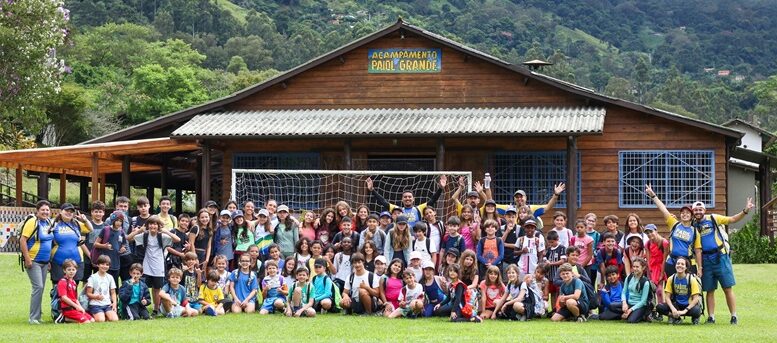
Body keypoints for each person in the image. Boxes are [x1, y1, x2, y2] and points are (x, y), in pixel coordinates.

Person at [690, 199, 752, 325]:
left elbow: (732, 219)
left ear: (704, 210)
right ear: (693, 211)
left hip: (720, 256)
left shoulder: (713, 218)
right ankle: (711, 317)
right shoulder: (693, 225)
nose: (698, 212)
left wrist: (745, 210)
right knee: (709, 290)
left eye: (700, 209)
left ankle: (734, 316)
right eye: (695, 210)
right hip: (705, 259)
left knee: (727, 288)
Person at [127, 215, 180, 316]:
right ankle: (141, 307)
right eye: (151, 224)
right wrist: (139, 231)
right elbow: (128, 239)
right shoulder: (145, 235)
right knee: (145, 287)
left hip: (159, 265)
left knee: (157, 288)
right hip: (147, 265)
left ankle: (156, 308)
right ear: (147, 225)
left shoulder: (162, 236)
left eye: (155, 224)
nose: (153, 226)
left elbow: (177, 240)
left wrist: (166, 231)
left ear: (158, 225)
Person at [644, 184, 702, 277]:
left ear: (691, 216)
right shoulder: (674, 224)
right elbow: (663, 209)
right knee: (670, 288)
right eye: (682, 213)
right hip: (672, 262)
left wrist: (700, 268)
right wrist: (653, 195)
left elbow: (698, 251)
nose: (685, 214)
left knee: (688, 288)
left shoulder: (695, 231)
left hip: (688, 262)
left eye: (687, 213)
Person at [20, 200, 53, 324]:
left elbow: (49, 242)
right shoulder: (32, 222)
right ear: (37, 211)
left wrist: (49, 260)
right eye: (43, 210)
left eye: (47, 210)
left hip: (45, 262)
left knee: (41, 288)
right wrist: (27, 258)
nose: (45, 212)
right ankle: (33, 318)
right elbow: (23, 240)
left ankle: (38, 316)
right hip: (33, 261)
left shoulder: (48, 222)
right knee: (38, 287)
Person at [367, 174, 447, 227]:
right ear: (402, 199)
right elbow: (383, 202)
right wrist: (372, 190)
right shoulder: (397, 209)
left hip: (415, 237)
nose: (407, 198)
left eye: (409, 197)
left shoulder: (418, 209)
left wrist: (440, 189)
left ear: (413, 199)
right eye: (405, 197)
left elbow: (432, 200)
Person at [50, 203, 93, 284]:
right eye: (66, 210)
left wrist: (85, 220)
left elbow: (90, 229)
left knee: (73, 289)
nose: (69, 213)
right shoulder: (54, 224)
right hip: (58, 261)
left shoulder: (76, 223)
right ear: (61, 211)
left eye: (71, 211)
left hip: (76, 262)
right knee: (58, 289)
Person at [490, 182, 566, 227]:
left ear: (526, 198)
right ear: (514, 199)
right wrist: (486, 188)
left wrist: (556, 195)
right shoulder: (510, 208)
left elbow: (548, 207)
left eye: (521, 197)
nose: (519, 199)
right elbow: (491, 204)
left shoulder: (532, 208)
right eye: (517, 197)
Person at [599, 257, 651, 323]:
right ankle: (625, 314)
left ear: (643, 268)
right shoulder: (629, 278)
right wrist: (624, 303)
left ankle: (642, 315)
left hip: (639, 306)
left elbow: (643, 301)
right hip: (628, 303)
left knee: (631, 321)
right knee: (609, 309)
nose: (635, 269)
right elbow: (624, 292)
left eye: (637, 267)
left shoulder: (645, 282)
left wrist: (630, 310)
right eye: (634, 266)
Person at [656, 257, 702, 325]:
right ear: (675, 266)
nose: (680, 265)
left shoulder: (691, 279)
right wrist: (673, 309)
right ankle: (674, 316)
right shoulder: (671, 279)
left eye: (682, 264)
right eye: (678, 263)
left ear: (686, 267)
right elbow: (667, 297)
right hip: (676, 305)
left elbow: (696, 299)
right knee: (659, 307)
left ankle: (695, 318)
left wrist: (684, 311)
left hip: (688, 306)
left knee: (697, 310)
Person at [55, 259, 94, 324]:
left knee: (92, 320)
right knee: (87, 322)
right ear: (64, 270)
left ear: (76, 270)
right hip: (67, 309)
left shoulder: (74, 282)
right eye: (69, 269)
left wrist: (80, 307)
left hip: (74, 308)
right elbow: (64, 298)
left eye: (73, 270)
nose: (71, 272)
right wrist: (76, 306)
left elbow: (75, 299)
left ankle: (68, 318)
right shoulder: (62, 282)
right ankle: (64, 318)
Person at [105, 196, 133, 283]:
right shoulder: (109, 219)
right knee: (113, 282)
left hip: (125, 253)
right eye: (121, 206)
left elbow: (128, 239)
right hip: (112, 254)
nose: (123, 208)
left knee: (127, 281)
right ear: (116, 206)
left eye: (125, 206)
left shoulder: (129, 220)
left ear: (128, 207)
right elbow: (106, 236)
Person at [85, 255, 118, 322]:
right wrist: (96, 296)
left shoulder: (110, 277)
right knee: (100, 320)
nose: (105, 266)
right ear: (98, 265)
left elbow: (113, 292)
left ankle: (104, 314)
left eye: (107, 264)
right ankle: (92, 314)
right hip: (95, 304)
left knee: (114, 319)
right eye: (102, 264)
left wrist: (114, 303)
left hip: (107, 304)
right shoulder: (93, 277)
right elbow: (88, 293)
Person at [644, 224, 669, 305]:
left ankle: (661, 308)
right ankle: (653, 309)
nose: (649, 234)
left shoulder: (664, 242)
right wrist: (649, 271)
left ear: (656, 231)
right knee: (651, 289)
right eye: (647, 233)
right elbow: (648, 259)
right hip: (652, 268)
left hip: (661, 267)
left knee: (659, 290)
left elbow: (664, 259)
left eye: (651, 231)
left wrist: (662, 273)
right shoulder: (647, 244)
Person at [84, 201, 107, 281]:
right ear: (92, 212)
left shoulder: (106, 227)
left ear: (103, 213)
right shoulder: (87, 225)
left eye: (100, 212)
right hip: (87, 257)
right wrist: (91, 256)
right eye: (96, 212)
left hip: (101, 259)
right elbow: (82, 243)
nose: (98, 214)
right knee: (86, 281)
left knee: (100, 280)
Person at [188, 208, 213, 273]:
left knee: (201, 275)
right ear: (199, 218)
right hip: (194, 253)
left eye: (206, 217)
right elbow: (191, 243)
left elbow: (209, 246)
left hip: (203, 255)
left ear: (209, 217)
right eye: (202, 217)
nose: (204, 219)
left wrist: (207, 260)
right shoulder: (195, 228)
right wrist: (195, 258)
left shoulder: (209, 230)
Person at [500, 206, 521, 271]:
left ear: (516, 217)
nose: (511, 219)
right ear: (505, 217)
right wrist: (507, 231)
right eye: (509, 217)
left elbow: (520, 245)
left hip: (517, 261)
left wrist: (506, 244)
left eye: (513, 217)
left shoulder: (520, 229)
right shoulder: (501, 228)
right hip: (504, 260)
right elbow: (500, 243)